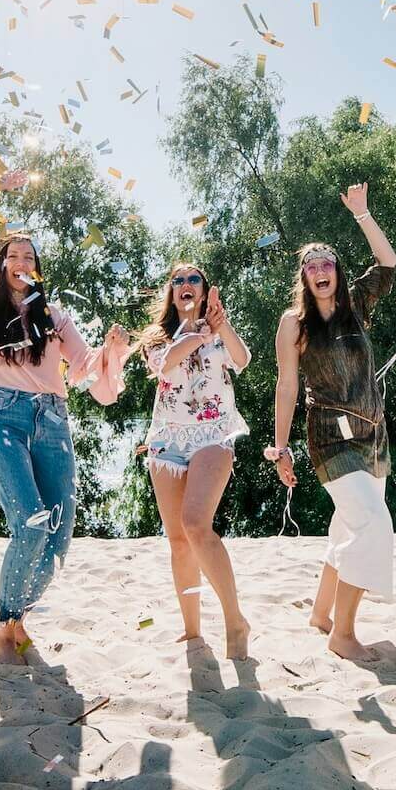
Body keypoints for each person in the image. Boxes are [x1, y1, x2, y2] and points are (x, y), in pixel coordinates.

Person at [0, 170, 130, 664]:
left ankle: (18, 622)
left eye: (29, 257)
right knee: (31, 524)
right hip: (2, 421)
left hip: (53, 425)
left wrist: (112, 351)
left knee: (58, 538)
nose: (21, 262)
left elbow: (86, 371)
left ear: (37, 270)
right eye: (13, 255)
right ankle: (4, 623)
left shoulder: (55, 318)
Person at [269, 183, 396, 662]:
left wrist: (362, 215)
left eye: (328, 263)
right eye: (312, 264)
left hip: (373, 431)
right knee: (371, 524)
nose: (321, 270)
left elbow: (387, 262)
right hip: (329, 434)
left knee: (349, 526)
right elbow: (285, 387)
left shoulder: (358, 304)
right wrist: (280, 448)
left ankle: (321, 613)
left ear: (337, 272)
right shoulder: (294, 323)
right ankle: (342, 633)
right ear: (303, 275)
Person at [136, 264, 254, 658]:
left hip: (213, 434)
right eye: (178, 280)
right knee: (178, 540)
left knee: (195, 525)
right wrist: (195, 332)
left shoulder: (217, 331)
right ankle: (192, 630)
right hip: (167, 439)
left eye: (194, 280)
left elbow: (243, 359)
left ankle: (235, 620)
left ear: (204, 291)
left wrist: (222, 327)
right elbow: (164, 363)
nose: (186, 285)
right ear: (170, 292)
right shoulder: (157, 337)